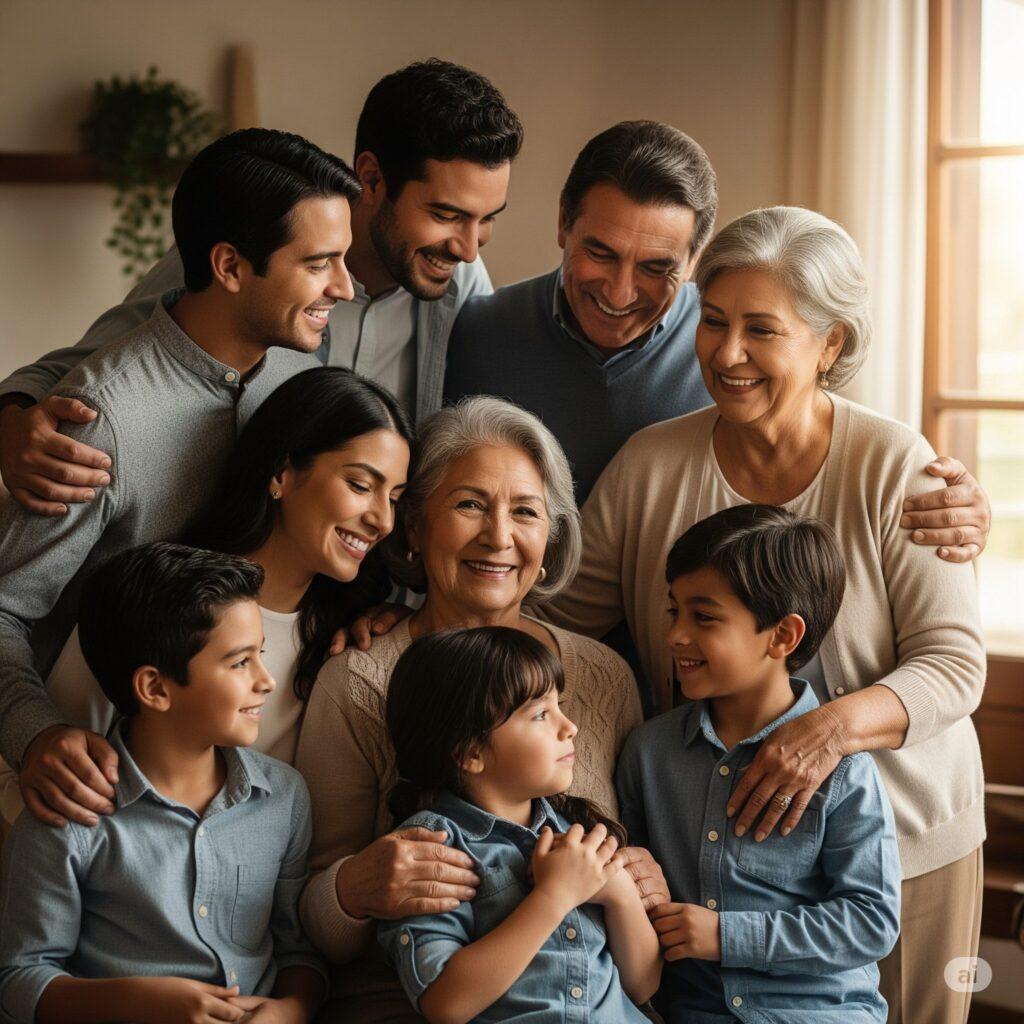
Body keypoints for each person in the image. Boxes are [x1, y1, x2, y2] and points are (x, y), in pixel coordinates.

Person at [541, 207, 987, 1024]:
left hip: (910, 841)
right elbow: (556, 620)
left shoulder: (900, 469)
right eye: (713, 322)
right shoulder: (649, 465)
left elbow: (955, 665)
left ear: (830, 345)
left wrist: (825, 734)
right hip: (707, 864)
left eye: (762, 330)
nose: (728, 352)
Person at [0, 128, 360, 831]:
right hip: (99, 801)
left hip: (244, 781)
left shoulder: (303, 370)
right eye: (319, 263)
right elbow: (6, 612)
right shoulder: (101, 419)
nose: (343, 288)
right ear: (228, 266)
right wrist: (36, 736)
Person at [442, 121, 991, 560]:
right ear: (564, 223)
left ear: (694, 261)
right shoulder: (478, 331)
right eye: (601, 252)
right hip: (537, 642)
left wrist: (952, 506)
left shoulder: (733, 362)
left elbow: (837, 460)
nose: (620, 289)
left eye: (657, 266)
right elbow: (426, 494)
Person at [0, 58, 522, 518]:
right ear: (372, 177)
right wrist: (11, 423)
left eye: (487, 220)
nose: (470, 248)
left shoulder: (462, 282)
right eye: (446, 215)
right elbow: (87, 368)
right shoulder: (245, 257)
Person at [293, 396, 649, 1021]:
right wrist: (353, 888)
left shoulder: (603, 677)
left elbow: (637, 885)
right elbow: (312, 919)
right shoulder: (357, 677)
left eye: (526, 513)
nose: (499, 537)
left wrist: (639, 880)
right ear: (414, 526)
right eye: (469, 505)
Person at [0, 366, 413, 825]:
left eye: (395, 498)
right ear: (282, 472)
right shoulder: (158, 596)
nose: (383, 520)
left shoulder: (347, 635)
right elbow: (46, 778)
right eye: (360, 485)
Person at [0, 543, 327, 1024]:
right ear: (155, 688)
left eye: (260, 655)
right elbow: (20, 979)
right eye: (239, 663)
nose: (266, 681)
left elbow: (299, 949)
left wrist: (291, 1010)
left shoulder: (285, 797)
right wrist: (139, 1004)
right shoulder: (69, 814)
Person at [617, 505, 901, 1023]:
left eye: (703, 617)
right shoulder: (647, 753)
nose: (677, 635)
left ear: (783, 636)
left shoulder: (844, 773)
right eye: (673, 610)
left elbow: (871, 922)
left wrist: (728, 937)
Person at [379, 626, 660, 1023]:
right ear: (471, 752)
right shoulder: (434, 850)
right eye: (541, 714)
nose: (570, 726)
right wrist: (555, 897)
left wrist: (619, 895)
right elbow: (445, 1005)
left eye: (559, 705)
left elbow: (643, 985)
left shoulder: (576, 831)